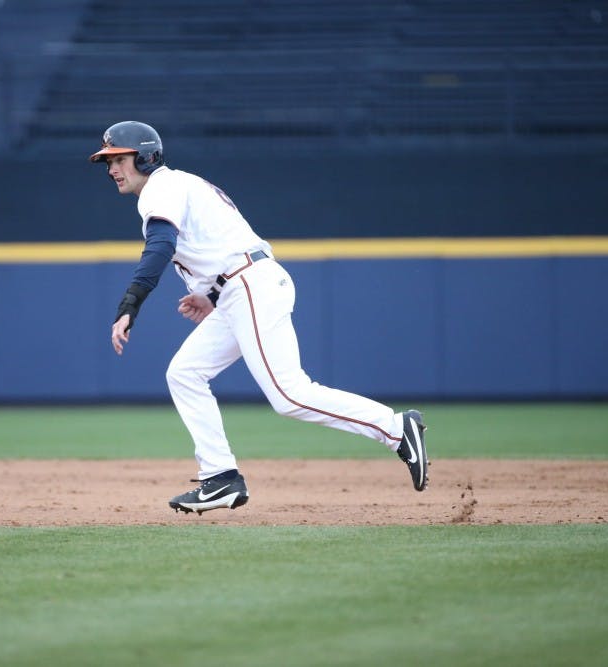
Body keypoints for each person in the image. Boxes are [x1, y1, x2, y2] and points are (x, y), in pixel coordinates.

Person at [91, 121, 430, 516]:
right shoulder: (178, 185)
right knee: (184, 373)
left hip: (249, 285)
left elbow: (161, 246)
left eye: (119, 159)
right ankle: (220, 477)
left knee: (289, 395)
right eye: (107, 162)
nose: (112, 169)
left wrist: (130, 303)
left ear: (146, 156)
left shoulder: (160, 188)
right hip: (239, 286)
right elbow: (220, 242)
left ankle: (395, 429)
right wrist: (211, 294)